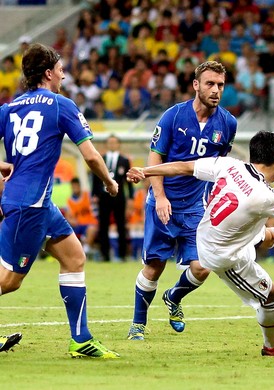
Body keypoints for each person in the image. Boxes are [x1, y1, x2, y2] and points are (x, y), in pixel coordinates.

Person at [126, 130, 274, 356]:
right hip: (225, 256)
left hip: (209, 231)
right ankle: (273, 346)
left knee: (267, 235)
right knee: (271, 296)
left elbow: (185, 166)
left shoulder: (229, 165)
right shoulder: (266, 196)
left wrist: (145, 170)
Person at [0, 43, 119, 358]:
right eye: (61, 68)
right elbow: (91, 156)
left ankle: (81, 340)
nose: (65, 74)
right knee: (9, 281)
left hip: (37, 202)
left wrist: (2, 167)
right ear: (49, 72)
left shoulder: (8, 108)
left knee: (74, 258)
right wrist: (108, 181)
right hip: (30, 206)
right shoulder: (60, 105)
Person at [127, 61, 237, 341]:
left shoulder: (228, 123)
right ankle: (138, 325)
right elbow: (155, 157)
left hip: (195, 208)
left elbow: (218, 167)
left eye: (220, 85)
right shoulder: (173, 117)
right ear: (196, 85)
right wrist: (160, 196)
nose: (216, 90)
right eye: (210, 84)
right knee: (154, 267)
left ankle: (174, 296)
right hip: (162, 204)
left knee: (203, 267)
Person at [92, 135, 133, 262]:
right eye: (110, 142)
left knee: (121, 225)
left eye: (114, 143)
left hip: (119, 198)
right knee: (103, 225)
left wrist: (130, 196)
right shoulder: (101, 158)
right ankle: (105, 254)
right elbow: (96, 178)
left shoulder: (124, 160)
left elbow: (128, 181)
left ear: (118, 144)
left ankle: (122, 254)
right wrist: (94, 194)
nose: (112, 145)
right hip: (103, 197)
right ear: (106, 144)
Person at [65, 177, 98, 258]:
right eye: (73, 187)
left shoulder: (88, 196)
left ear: (80, 186)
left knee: (91, 229)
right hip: (78, 225)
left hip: (90, 223)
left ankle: (85, 250)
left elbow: (96, 209)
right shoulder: (69, 201)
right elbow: (67, 216)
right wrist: (72, 221)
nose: (75, 188)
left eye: (76, 186)